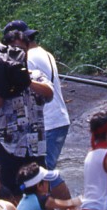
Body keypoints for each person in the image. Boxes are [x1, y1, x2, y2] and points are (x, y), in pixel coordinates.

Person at [0, 53, 53, 200]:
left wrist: (27, 82)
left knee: (41, 195)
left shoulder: (36, 75)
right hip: (9, 147)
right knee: (7, 196)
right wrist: (6, 87)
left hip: (35, 146)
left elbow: (49, 93)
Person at [5, 22, 71, 168]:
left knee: (42, 173)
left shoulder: (26, 58)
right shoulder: (44, 53)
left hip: (47, 121)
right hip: (57, 118)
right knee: (42, 171)